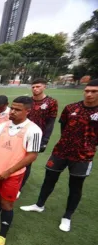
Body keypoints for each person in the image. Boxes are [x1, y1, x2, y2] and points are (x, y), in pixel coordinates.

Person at [21, 80, 98, 232]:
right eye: (87, 90)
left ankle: (67, 216)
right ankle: (39, 205)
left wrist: (88, 145)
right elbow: (64, 127)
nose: (89, 94)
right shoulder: (71, 108)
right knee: (49, 179)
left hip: (83, 156)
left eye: (94, 91)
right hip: (60, 151)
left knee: (75, 186)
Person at [0, 96, 42, 245]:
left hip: (12, 175)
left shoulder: (33, 130)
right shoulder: (3, 126)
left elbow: (32, 155)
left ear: (28, 111)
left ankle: (2, 235)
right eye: (12, 108)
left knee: (6, 203)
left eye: (17, 109)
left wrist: (9, 171)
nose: (12, 112)